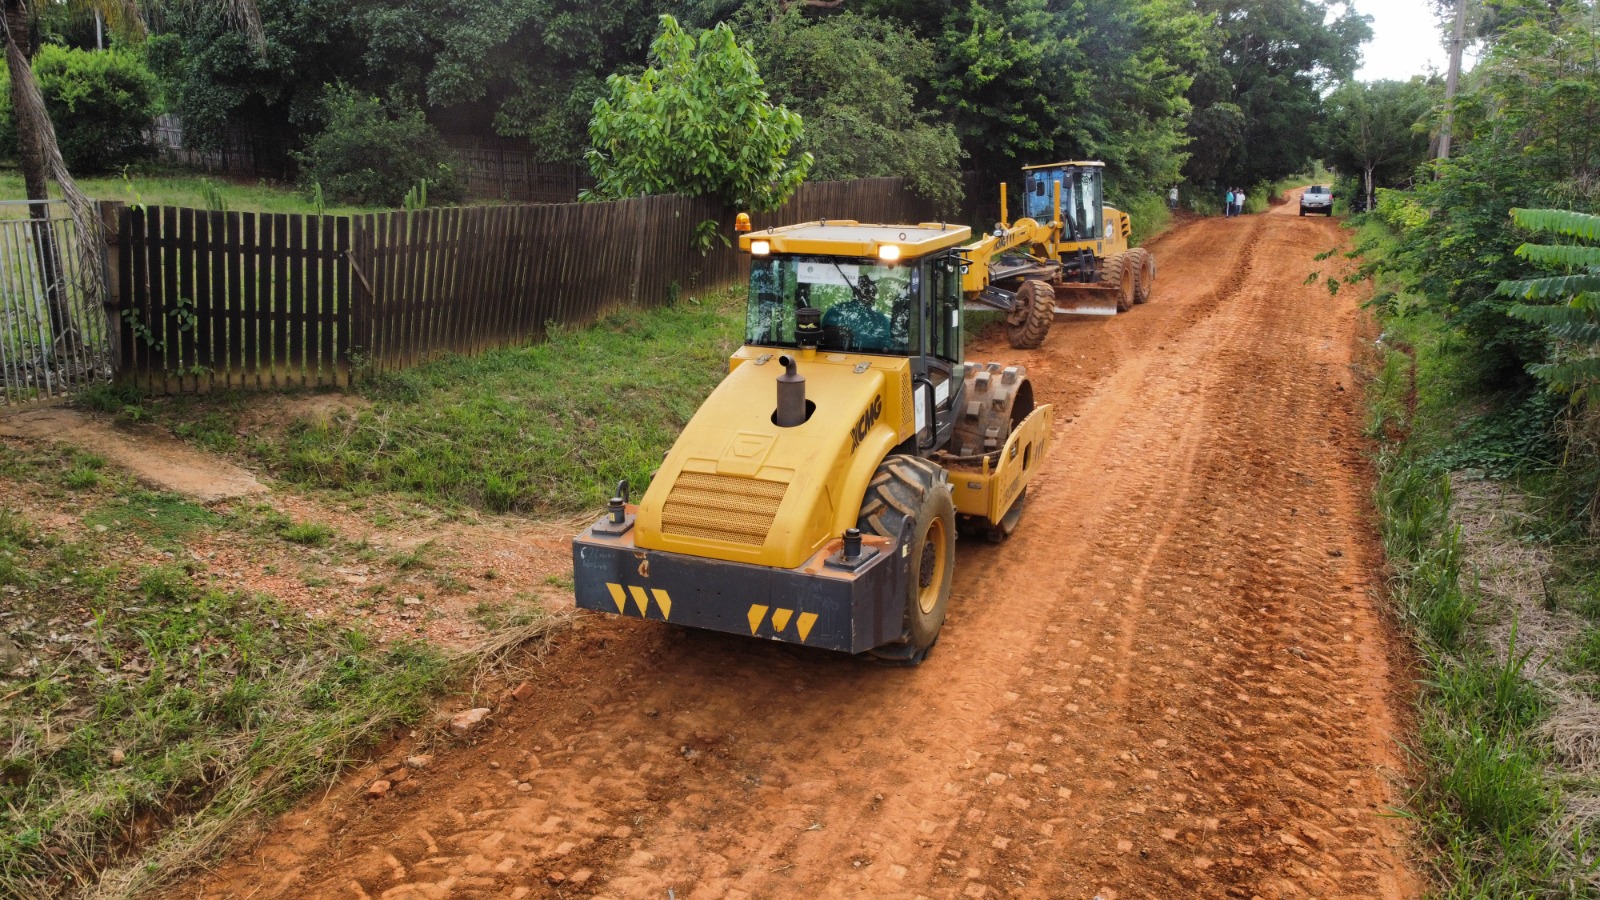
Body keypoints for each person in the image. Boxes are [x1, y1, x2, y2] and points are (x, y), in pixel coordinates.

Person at [821, 273, 892, 352]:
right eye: (869, 292)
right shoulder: (880, 319)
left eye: (872, 292)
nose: (872, 296)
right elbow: (886, 349)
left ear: (854, 293)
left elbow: (821, 341)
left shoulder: (835, 311)